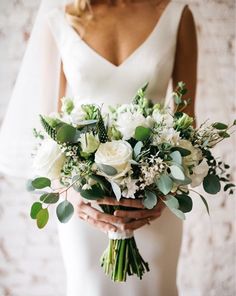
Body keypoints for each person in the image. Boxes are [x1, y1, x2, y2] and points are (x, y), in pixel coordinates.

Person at [0, 0, 197, 295]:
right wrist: (68, 192)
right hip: (85, 205)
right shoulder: (61, 17)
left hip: (155, 204)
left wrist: (166, 192)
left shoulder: (175, 14)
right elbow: (47, 130)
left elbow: (186, 125)